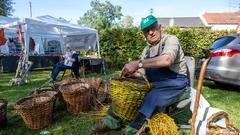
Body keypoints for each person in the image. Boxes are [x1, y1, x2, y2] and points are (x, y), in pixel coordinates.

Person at [91, 15, 189, 134]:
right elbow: (142, 74)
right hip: (155, 83)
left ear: (160, 27)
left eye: (153, 28)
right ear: (143, 34)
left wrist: (138, 63)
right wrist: (130, 76)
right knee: (126, 90)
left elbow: (166, 60)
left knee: (153, 97)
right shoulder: (146, 50)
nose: (151, 32)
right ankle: (110, 121)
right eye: (147, 31)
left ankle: (134, 128)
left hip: (175, 82)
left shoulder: (170, 40)